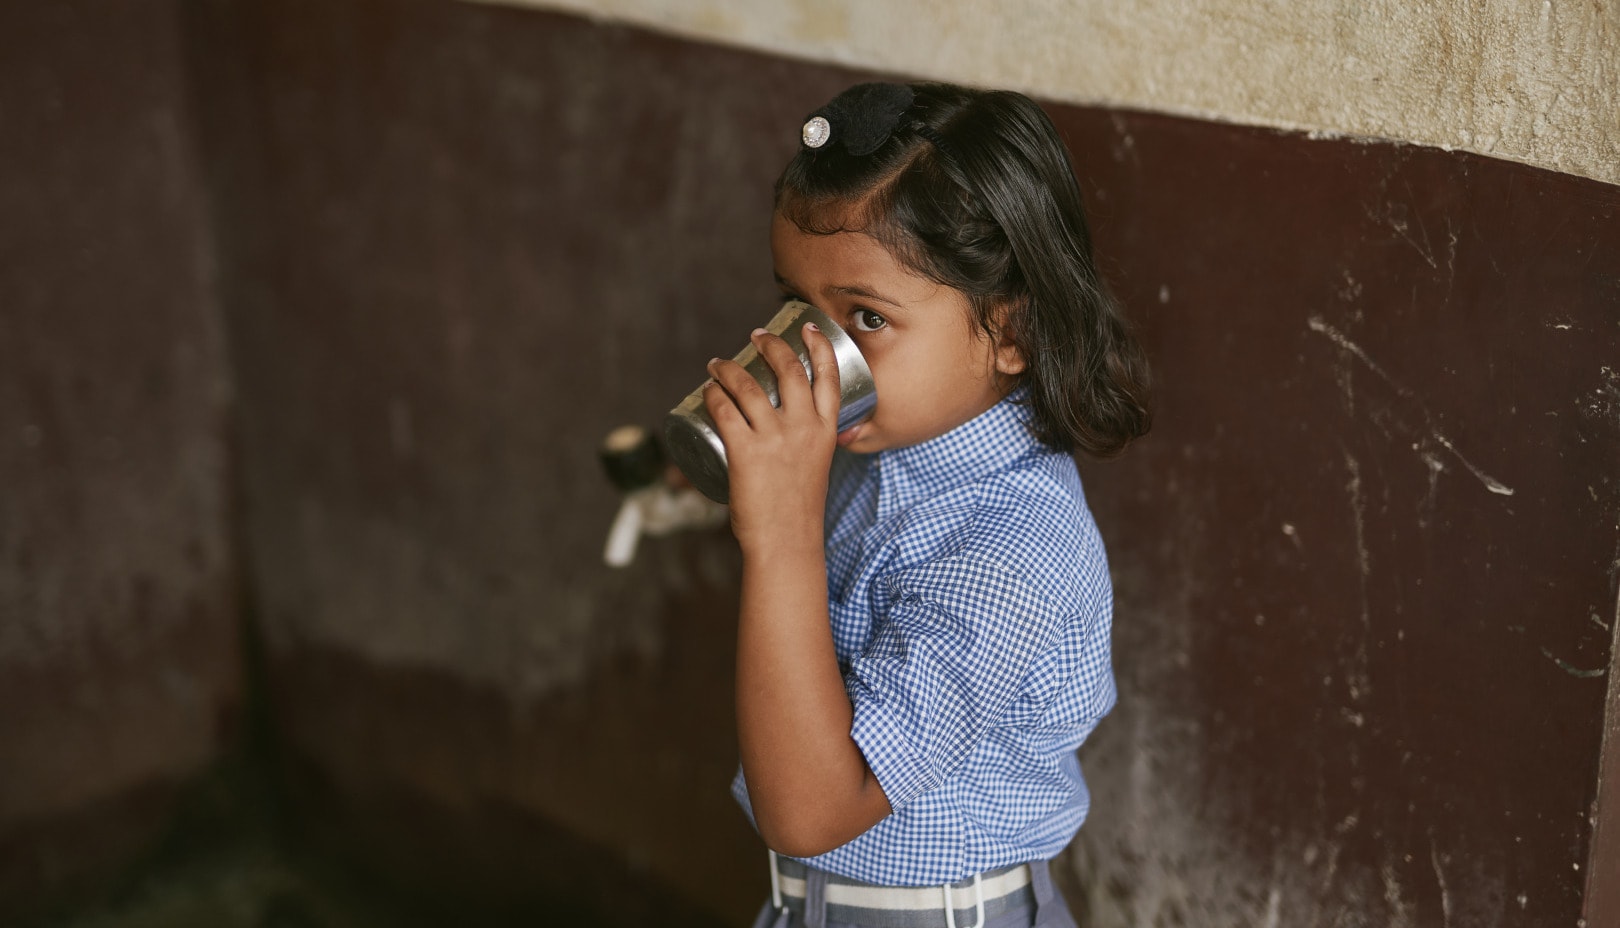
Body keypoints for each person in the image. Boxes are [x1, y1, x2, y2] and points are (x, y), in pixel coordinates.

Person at [700, 80, 1152, 928]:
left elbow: (810, 814)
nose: (814, 355)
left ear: (1010, 334)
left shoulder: (1012, 552)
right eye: (796, 305)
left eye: (864, 318)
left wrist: (783, 537)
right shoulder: (882, 455)